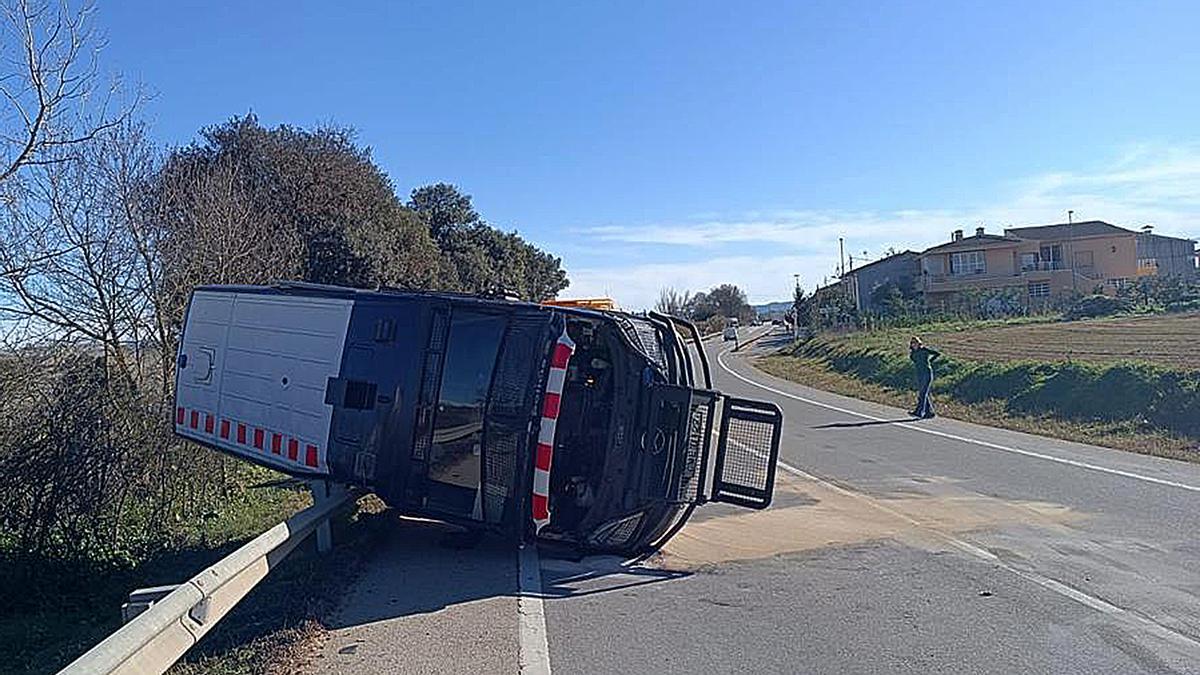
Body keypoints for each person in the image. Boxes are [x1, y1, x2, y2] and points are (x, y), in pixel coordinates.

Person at [909, 336, 940, 419]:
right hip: (919, 374)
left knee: (923, 394)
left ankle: (919, 412)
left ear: (919, 343)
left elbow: (937, 353)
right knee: (923, 394)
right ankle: (929, 413)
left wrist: (929, 361)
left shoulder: (924, 350)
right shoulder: (912, 354)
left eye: (915, 343)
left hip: (927, 373)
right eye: (912, 343)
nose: (914, 345)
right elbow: (914, 360)